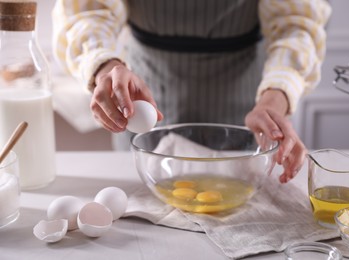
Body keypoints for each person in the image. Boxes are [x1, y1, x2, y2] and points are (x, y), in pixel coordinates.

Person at [52, 0, 331, 183]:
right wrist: (104, 67)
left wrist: (275, 99)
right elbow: (87, 10)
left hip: (243, 106)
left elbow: (297, 25)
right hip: (141, 92)